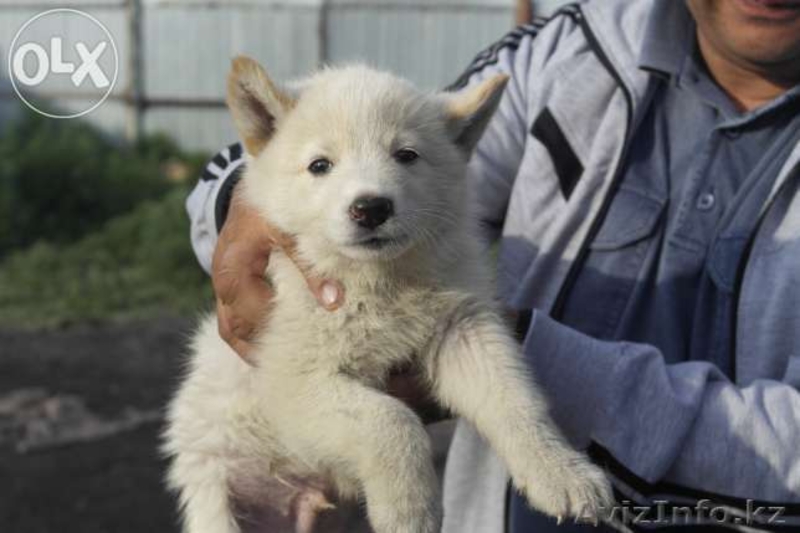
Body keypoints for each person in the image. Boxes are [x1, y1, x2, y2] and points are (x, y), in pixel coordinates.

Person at [186, 0, 800, 531]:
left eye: (400, 158)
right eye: (323, 167)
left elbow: (459, 325)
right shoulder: (572, 47)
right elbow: (405, 131)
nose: (371, 190)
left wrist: (543, 418)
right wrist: (237, 213)